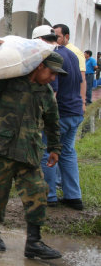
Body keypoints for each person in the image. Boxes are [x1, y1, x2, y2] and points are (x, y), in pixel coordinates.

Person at [0, 37, 63, 260]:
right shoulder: (9, 82)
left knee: (37, 193)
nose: (53, 78)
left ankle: (34, 242)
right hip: (2, 149)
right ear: (40, 66)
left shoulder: (46, 94)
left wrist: (55, 148)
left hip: (29, 152)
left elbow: (53, 122)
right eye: (51, 73)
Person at [32, 25, 85, 211]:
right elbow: (80, 81)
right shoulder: (71, 54)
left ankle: (50, 196)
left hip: (60, 114)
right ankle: (73, 196)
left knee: (48, 152)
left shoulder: (52, 57)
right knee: (68, 153)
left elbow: (51, 92)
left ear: (41, 40)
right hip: (75, 112)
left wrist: (43, 118)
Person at [53, 24, 86, 113]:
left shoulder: (74, 52)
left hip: (70, 106)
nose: (54, 40)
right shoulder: (56, 50)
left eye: (57, 37)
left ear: (66, 36)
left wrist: (83, 102)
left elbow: (82, 78)